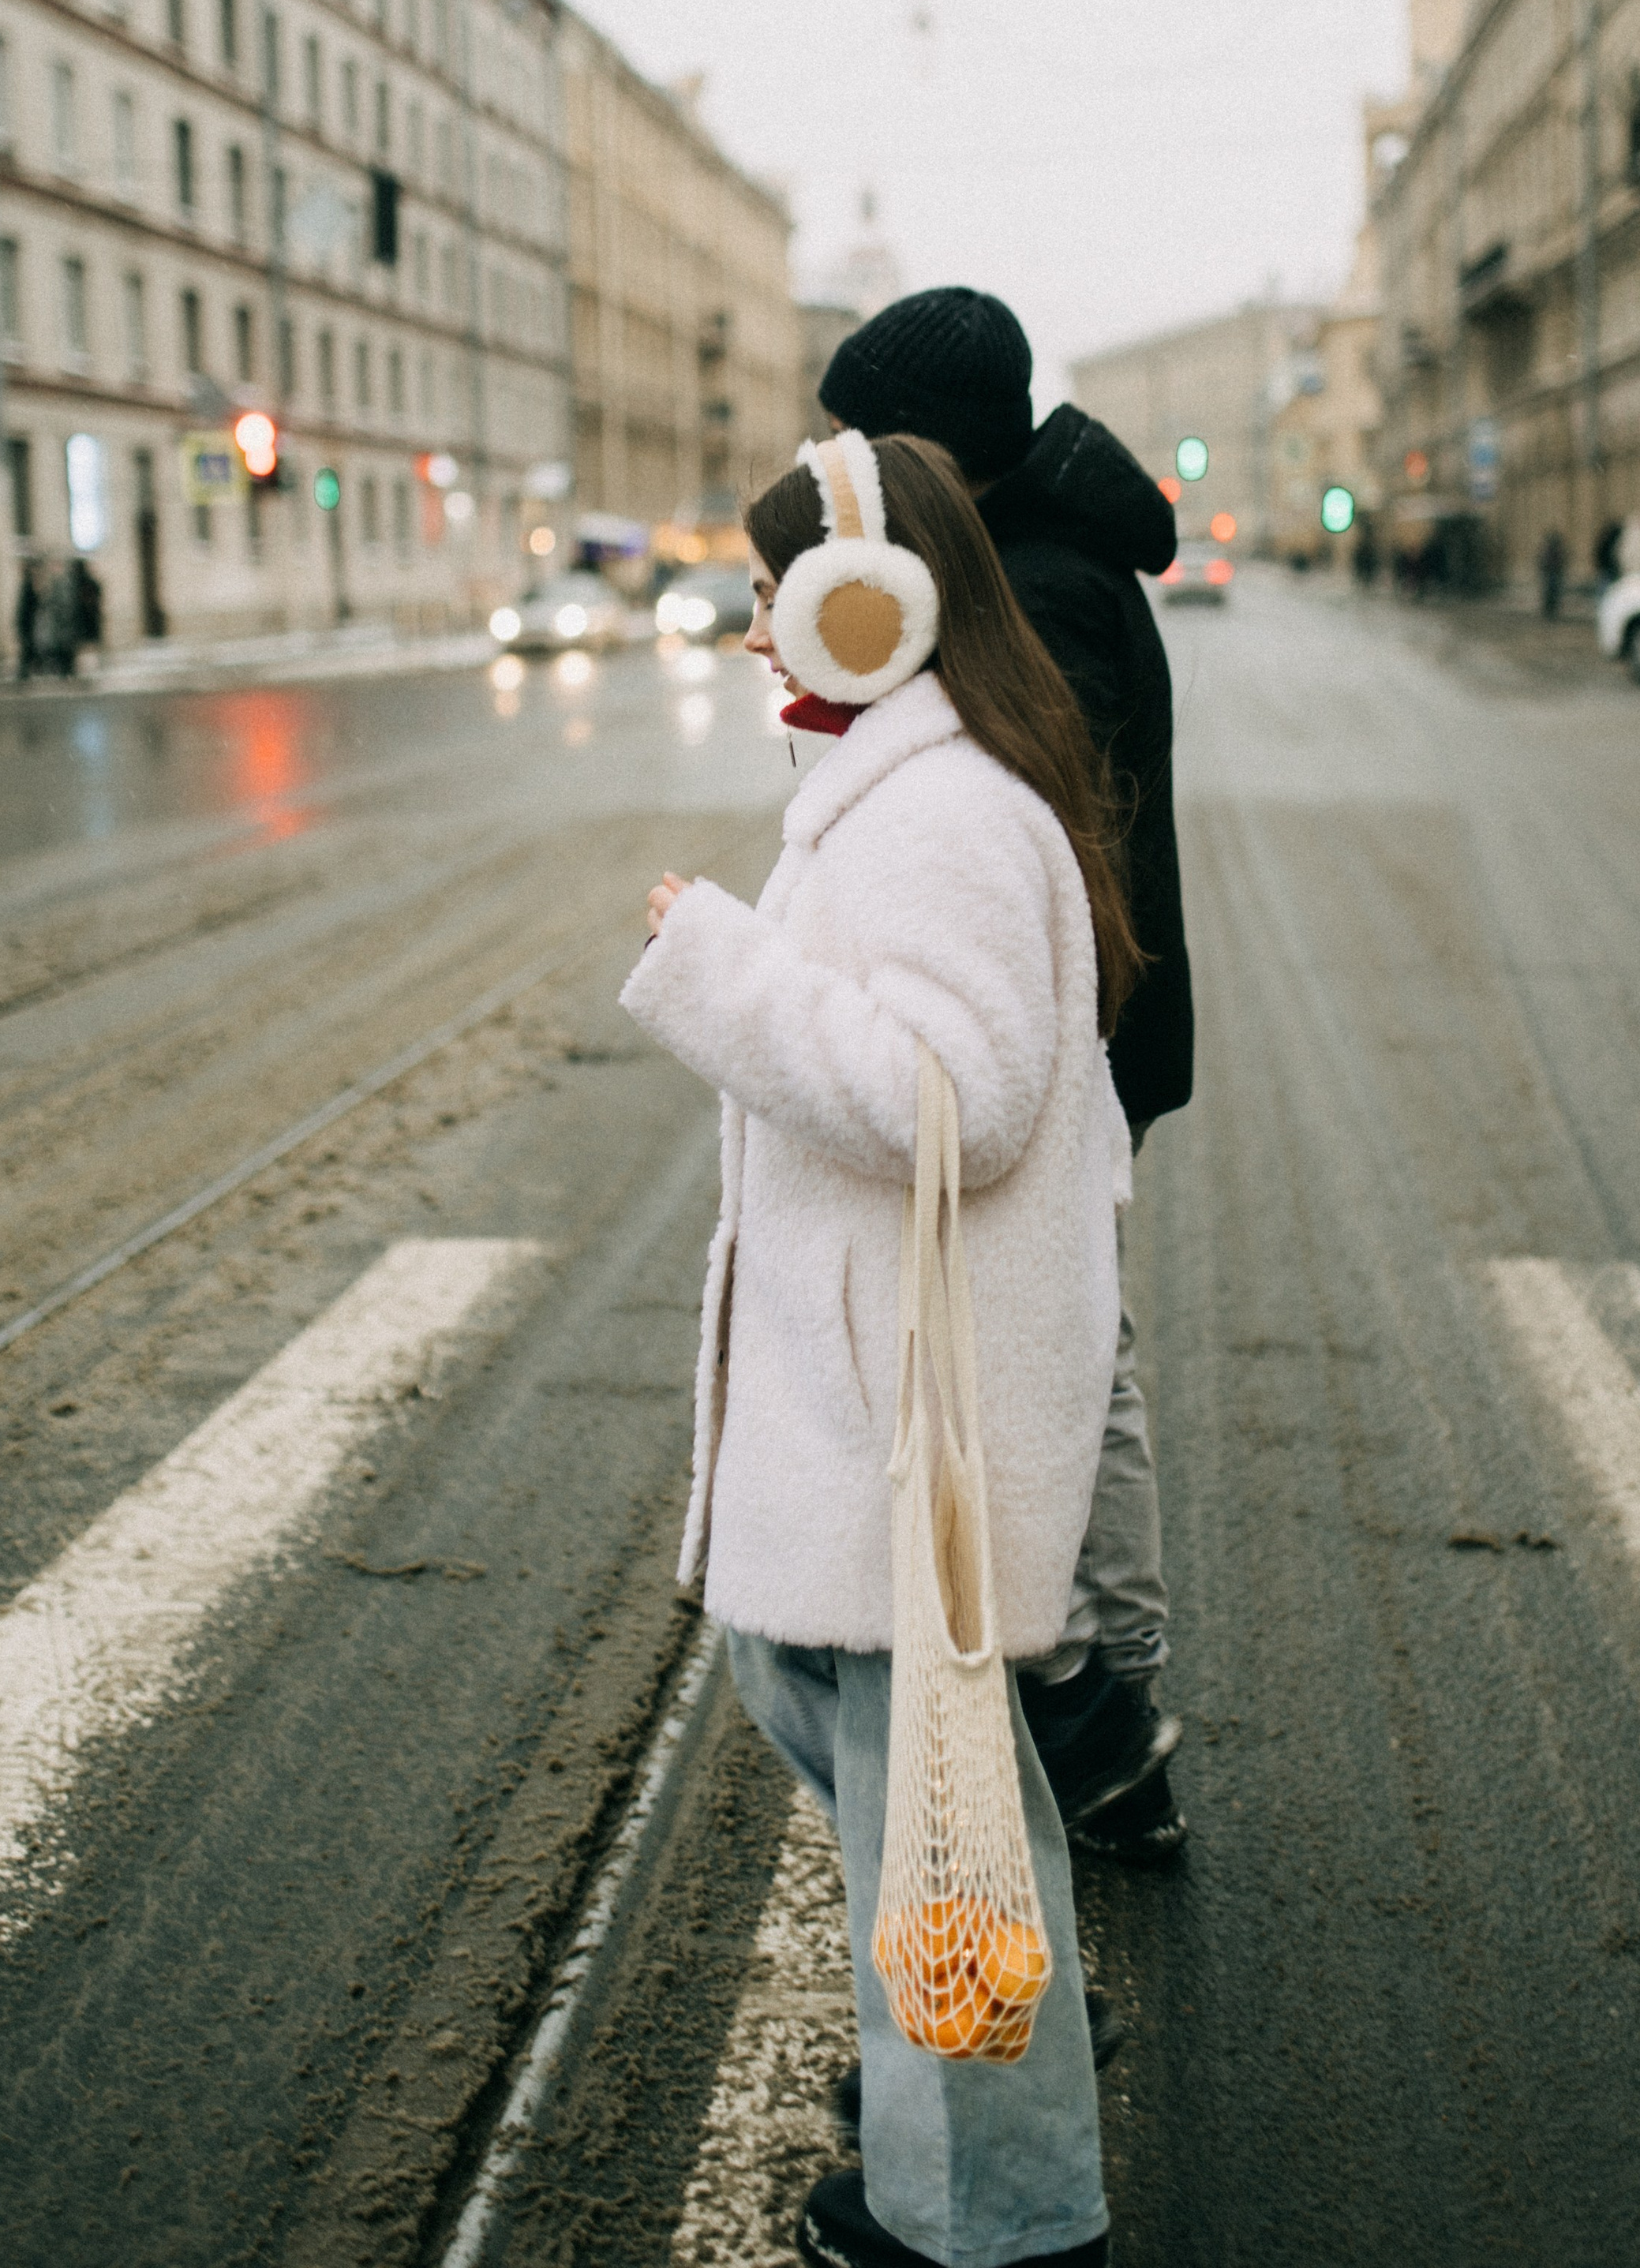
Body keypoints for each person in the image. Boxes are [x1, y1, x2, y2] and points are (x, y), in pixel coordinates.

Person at [623, 429, 1125, 2268]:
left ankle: (983, 2215)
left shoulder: (937, 815)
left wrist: (717, 967)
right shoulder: (901, 790)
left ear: (874, 600)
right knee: (918, 1832)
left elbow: (959, 1099)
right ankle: (974, 2144)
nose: (757, 629)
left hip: (913, 1421)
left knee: (948, 1859)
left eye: (774, 592)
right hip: (882, 1404)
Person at [818, 287, 1191, 1867]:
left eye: (862, 437)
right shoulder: (1029, 564)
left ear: (934, 451)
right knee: (1056, 1355)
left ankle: (1110, 1713)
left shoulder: (1041, 588)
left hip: (1061, 1036)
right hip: (1072, 1022)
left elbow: (1012, 828)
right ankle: (1105, 1719)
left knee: (1065, 1365)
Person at [1537, 526, 1568, 621]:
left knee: (1552, 593)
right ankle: (1549, 610)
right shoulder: (1550, 551)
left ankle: (1550, 610)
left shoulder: (1552, 551)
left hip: (1553, 574)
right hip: (1552, 574)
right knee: (1551, 593)